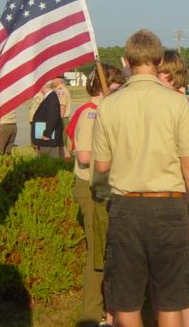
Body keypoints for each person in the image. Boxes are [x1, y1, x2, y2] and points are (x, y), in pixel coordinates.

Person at [92, 30, 189, 327]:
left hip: (125, 208)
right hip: (168, 206)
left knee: (126, 299)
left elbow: (102, 165)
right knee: (170, 297)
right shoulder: (177, 102)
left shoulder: (109, 105)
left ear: (126, 61)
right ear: (158, 61)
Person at [70, 63, 126, 327]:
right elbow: (84, 157)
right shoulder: (91, 115)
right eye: (116, 87)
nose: (119, 92)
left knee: (107, 251)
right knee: (98, 253)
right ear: (102, 86)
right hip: (92, 189)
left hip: (104, 188)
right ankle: (92, 314)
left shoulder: (103, 112)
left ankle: (109, 307)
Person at [156, 49, 189, 327]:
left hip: (172, 191)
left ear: (167, 75)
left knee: (172, 276)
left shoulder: (171, 105)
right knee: (179, 273)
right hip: (180, 192)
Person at [31, 81, 63, 158]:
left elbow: (52, 117)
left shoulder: (52, 98)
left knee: (49, 162)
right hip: (46, 140)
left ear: (44, 86)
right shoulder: (49, 97)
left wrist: (46, 134)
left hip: (49, 141)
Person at [53, 74, 72, 159]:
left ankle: (64, 159)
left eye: (54, 78)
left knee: (62, 141)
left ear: (59, 80)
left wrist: (58, 120)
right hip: (63, 118)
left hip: (62, 118)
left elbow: (62, 106)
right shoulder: (58, 90)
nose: (52, 81)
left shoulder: (61, 91)